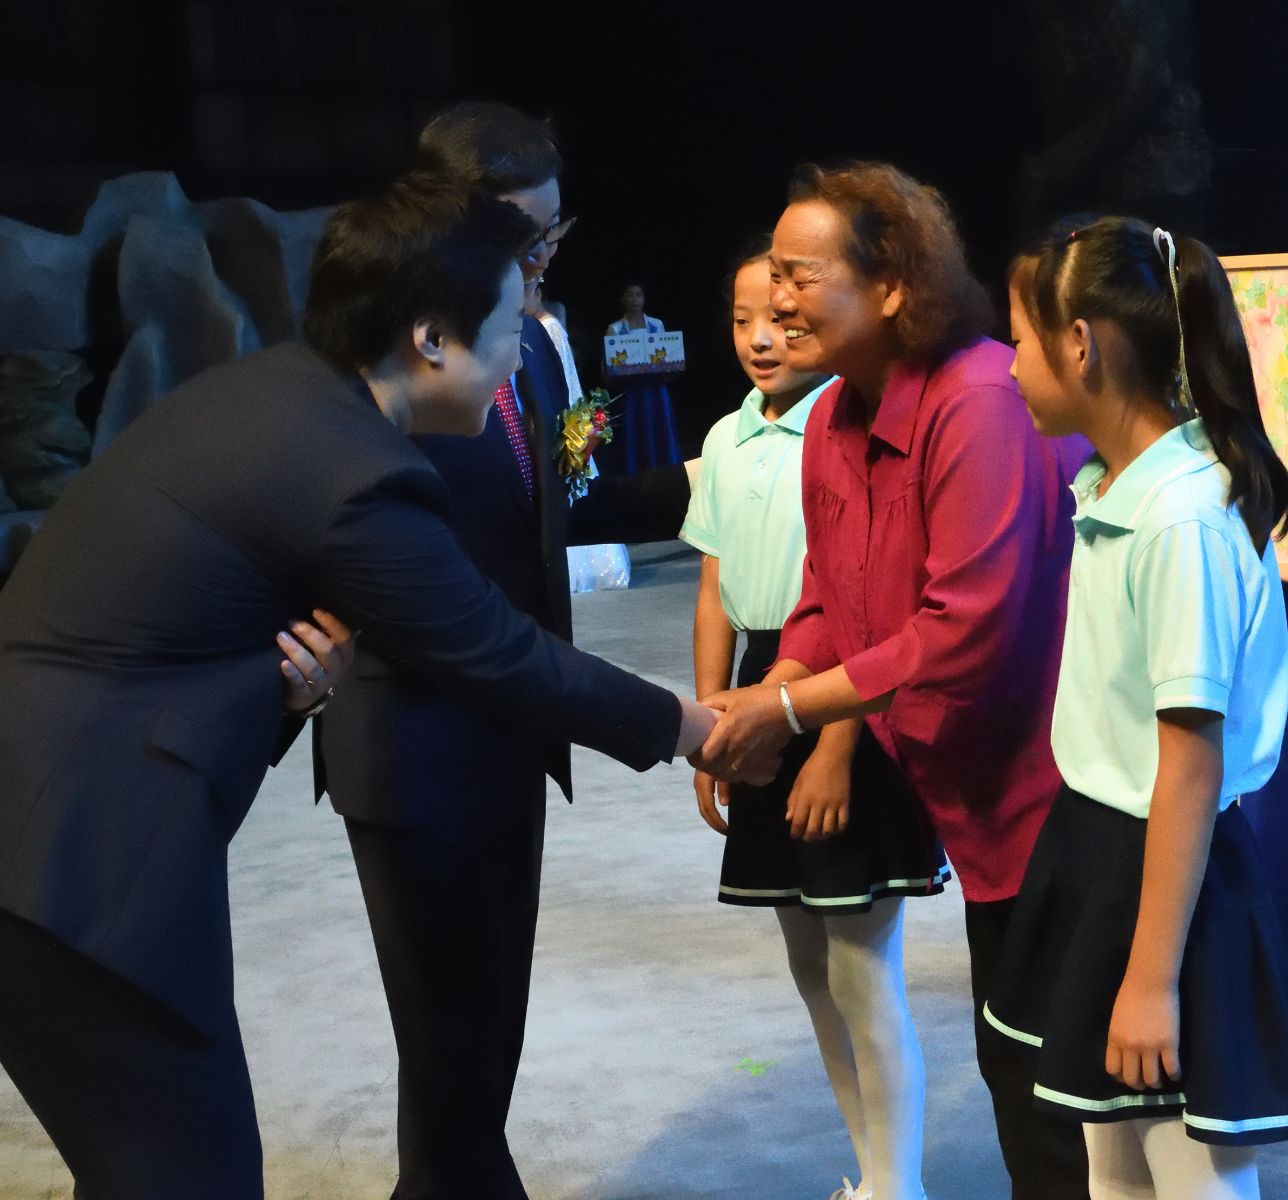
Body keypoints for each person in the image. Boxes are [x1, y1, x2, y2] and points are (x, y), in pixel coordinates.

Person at [0, 171, 720, 1200]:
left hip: (52, 824)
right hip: (70, 855)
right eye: (507, 328)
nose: (517, 352)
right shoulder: (351, 472)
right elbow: (495, 652)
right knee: (188, 1173)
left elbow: (146, 644)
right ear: (430, 338)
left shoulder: (278, 394)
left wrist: (283, 691)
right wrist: (693, 726)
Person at [315, 102, 695, 1200]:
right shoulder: (382, 359)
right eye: (518, 236)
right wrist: (669, 723)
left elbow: (555, 509)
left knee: (487, 1035)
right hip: (412, 744)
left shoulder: (526, 343)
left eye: (550, 235)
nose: (539, 259)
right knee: (445, 1040)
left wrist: (709, 477)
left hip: (515, 732)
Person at [698, 162, 1093, 1199]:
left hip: (1059, 793)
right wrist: (758, 698)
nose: (776, 298)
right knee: (1017, 1065)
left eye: (799, 274)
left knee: (1064, 1086)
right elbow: (828, 594)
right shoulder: (834, 417)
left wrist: (789, 706)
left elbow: (962, 631)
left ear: (889, 287)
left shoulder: (977, 402)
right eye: (772, 273)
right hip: (972, 795)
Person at [987, 216, 1288, 1199]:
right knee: (1110, 1153)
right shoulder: (1118, 490)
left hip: (1175, 874)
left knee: (1192, 1170)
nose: (1008, 366)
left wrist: (1153, 979)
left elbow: (1191, 766)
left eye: (1020, 341)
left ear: (1082, 344)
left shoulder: (1179, 521)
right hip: (1109, 849)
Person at [683, 243, 936, 1200]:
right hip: (763, 681)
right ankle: (869, 1174)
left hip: (844, 691)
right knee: (808, 965)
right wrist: (706, 728)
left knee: (861, 965)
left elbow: (861, 605)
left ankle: (900, 1184)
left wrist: (835, 747)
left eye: (784, 319)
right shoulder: (725, 439)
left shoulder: (845, 428)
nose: (763, 337)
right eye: (744, 318)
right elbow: (713, 585)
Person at [526, 283, 631, 593]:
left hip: (561, 419)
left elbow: (564, 379)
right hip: (551, 419)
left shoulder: (549, 328)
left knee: (572, 487)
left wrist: (572, 427)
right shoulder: (535, 327)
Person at [601, 282, 682, 472]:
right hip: (630, 392)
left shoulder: (656, 325)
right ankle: (633, 472)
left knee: (658, 428)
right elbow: (608, 361)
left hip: (654, 390)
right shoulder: (615, 328)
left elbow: (667, 355)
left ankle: (662, 469)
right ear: (623, 299)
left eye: (639, 295)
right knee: (633, 430)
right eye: (630, 295)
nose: (635, 299)